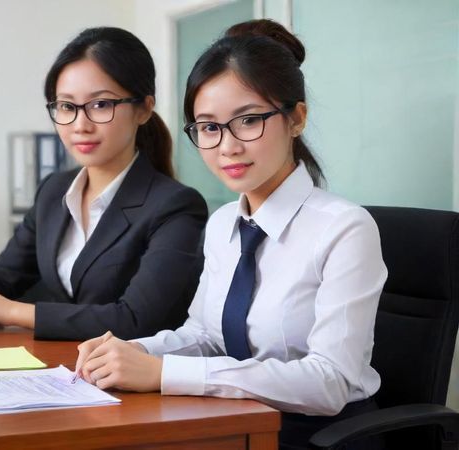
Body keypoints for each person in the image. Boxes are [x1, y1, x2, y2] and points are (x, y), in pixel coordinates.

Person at [73, 20, 387, 449]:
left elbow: (330, 382)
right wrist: (134, 352)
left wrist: (164, 373)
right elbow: (204, 336)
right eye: (208, 127)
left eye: (248, 120)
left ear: (296, 118)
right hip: (233, 422)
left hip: (315, 436)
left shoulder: (343, 229)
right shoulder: (223, 222)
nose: (227, 147)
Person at [0, 27, 208, 341]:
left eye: (101, 105)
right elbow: (5, 273)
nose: (80, 125)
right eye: (66, 107)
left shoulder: (175, 206)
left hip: (133, 380)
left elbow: (136, 320)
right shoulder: (55, 190)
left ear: (144, 109)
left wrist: (12, 312)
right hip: (61, 369)